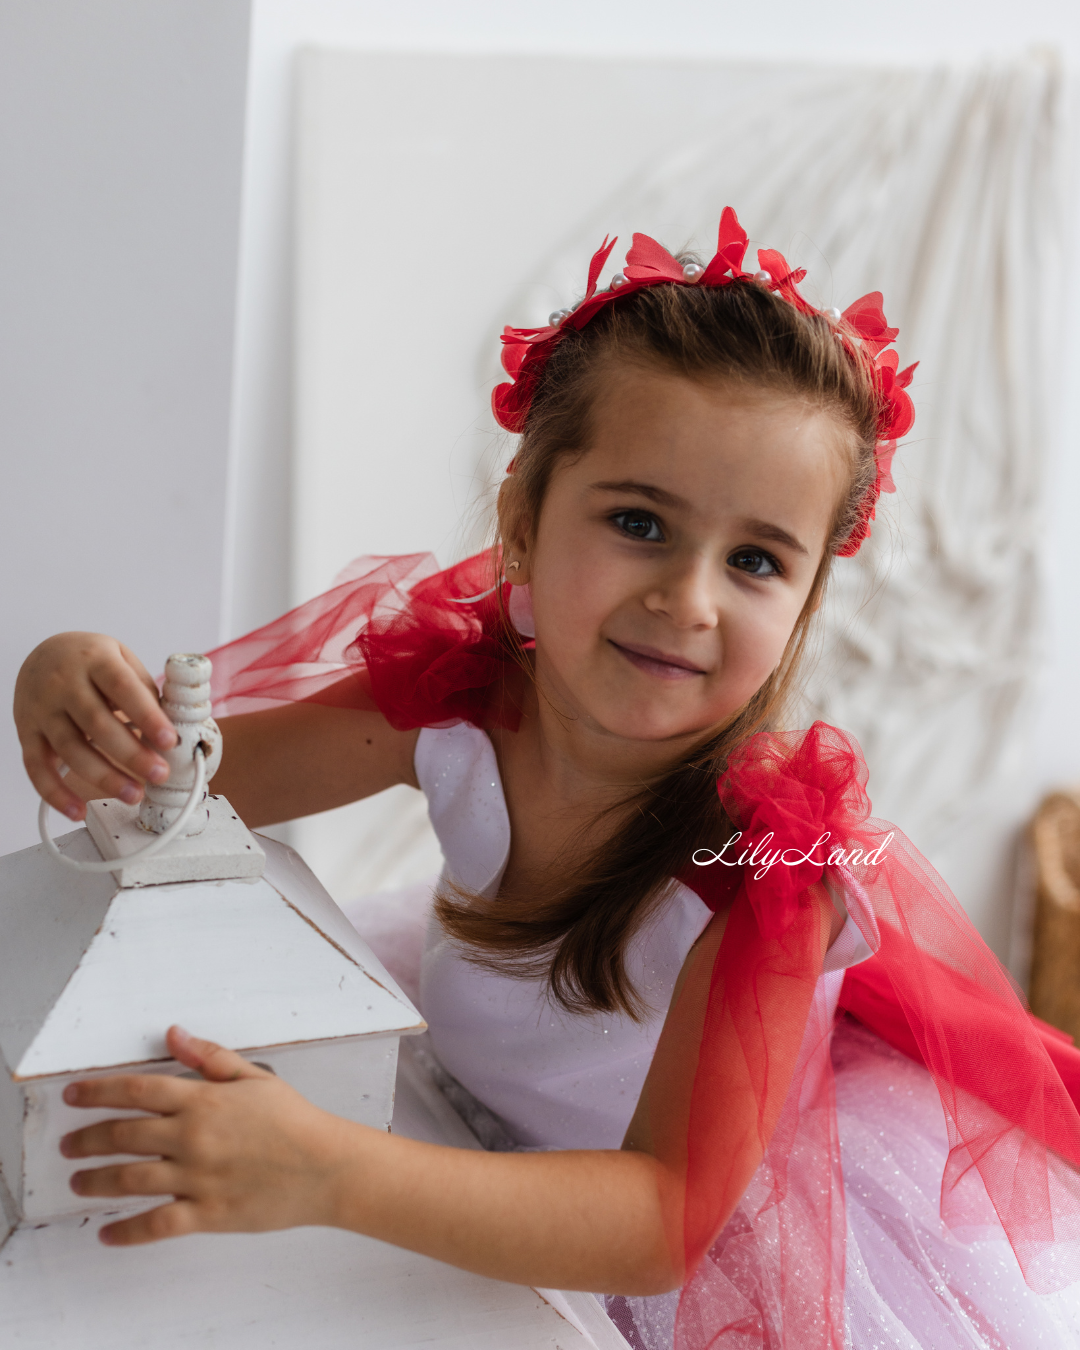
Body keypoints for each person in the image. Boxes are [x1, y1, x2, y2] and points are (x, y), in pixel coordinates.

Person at [14, 210, 1080, 1349]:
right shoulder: (466, 693)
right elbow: (177, 783)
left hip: (670, 1217)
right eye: (638, 522)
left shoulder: (768, 870)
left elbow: (663, 1218)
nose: (690, 600)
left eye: (757, 560)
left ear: (809, 596)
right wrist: (67, 687)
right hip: (462, 1111)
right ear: (523, 518)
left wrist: (328, 1172)